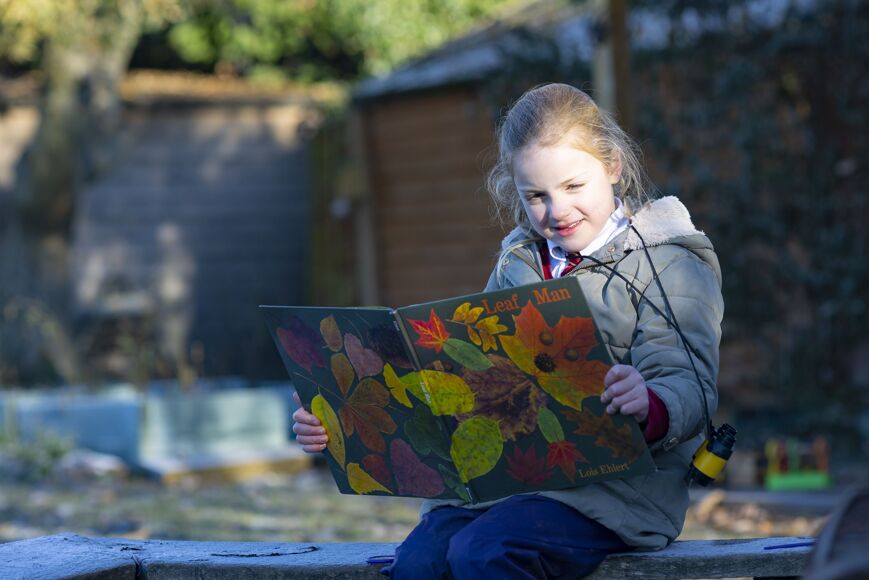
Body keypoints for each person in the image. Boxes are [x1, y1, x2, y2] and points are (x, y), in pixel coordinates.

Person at [292, 83, 724, 579]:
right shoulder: (518, 262)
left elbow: (689, 383)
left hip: (615, 493)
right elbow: (468, 374)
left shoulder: (668, 265)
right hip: (510, 484)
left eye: (574, 186)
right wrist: (338, 413)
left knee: (483, 553)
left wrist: (648, 404)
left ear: (612, 166)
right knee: (419, 562)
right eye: (536, 196)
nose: (557, 211)